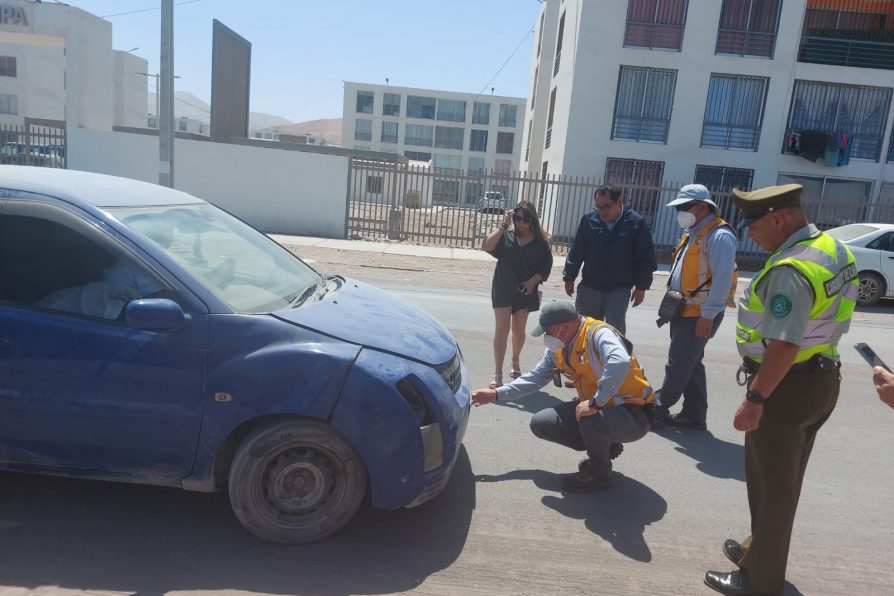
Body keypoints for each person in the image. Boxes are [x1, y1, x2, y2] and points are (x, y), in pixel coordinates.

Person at [704, 184, 858, 596]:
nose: (749, 233)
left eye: (752, 225)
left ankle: (761, 583)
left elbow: (785, 345)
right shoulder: (832, 247)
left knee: (772, 489)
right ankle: (760, 552)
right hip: (820, 379)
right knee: (783, 483)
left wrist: (755, 399)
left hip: (785, 387)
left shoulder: (791, 269)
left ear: (778, 218)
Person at [471, 301, 654, 492]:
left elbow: (620, 361)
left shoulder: (598, 333)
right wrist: (495, 394)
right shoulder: (558, 345)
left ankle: (599, 473)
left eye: (547, 331)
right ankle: (605, 447)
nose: (546, 336)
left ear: (565, 326)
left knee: (590, 419)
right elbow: (535, 377)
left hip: (634, 413)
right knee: (543, 423)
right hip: (600, 408)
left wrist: (595, 403)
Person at [651, 184, 738, 430]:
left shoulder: (720, 236)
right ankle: (694, 413)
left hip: (700, 313)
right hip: (684, 309)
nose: (679, 211)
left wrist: (708, 315)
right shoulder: (694, 231)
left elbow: (722, 279)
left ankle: (658, 407)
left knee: (678, 362)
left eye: (683, 207)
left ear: (701, 207)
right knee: (691, 361)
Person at [562, 185, 657, 336]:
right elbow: (577, 250)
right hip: (589, 288)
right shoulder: (589, 220)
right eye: (598, 207)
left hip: (618, 290)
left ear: (619, 200)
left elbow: (645, 258)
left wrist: (641, 287)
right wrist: (569, 277)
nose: (602, 212)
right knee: (585, 334)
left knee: (614, 336)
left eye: (606, 207)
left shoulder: (635, 223)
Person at [482, 201, 552, 388]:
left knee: (519, 331)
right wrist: (503, 225)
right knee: (501, 330)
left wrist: (533, 281)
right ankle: (497, 374)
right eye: (517, 218)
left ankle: (515, 360)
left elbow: (546, 267)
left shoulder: (541, 244)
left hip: (524, 292)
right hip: (503, 288)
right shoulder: (507, 236)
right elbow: (487, 246)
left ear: (532, 221)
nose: (520, 222)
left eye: (525, 219)